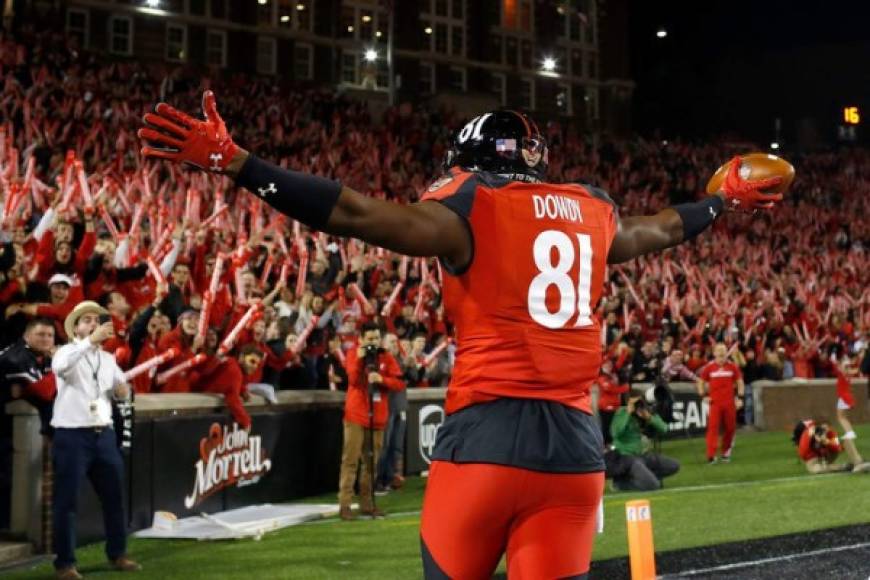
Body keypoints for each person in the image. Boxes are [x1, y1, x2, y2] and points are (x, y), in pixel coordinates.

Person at [139, 94, 782, 578]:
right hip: (575, 454)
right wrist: (723, 202)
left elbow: (354, 213)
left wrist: (240, 163)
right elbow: (666, 228)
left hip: (485, 441)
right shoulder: (592, 209)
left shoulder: (471, 206)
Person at [51, 301, 141, 579]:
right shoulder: (66, 351)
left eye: (96, 320)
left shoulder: (108, 358)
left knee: (114, 497)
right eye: (86, 320)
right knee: (67, 501)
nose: (92, 324)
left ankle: (118, 552)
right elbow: (61, 368)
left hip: (104, 433)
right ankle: (65, 563)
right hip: (72, 435)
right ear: (76, 328)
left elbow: (120, 390)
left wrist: (124, 391)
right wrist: (89, 342)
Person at [337, 322, 403, 520]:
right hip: (356, 414)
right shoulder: (353, 354)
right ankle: (345, 505)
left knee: (371, 463)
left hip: (378, 416)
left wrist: (382, 380)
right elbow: (354, 381)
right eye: (370, 339)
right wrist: (359, 360)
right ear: (361, 339)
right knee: (350, 461)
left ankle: (367, 503)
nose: (373, 342)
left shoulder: (387, 356)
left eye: (376, 338)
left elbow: (399, 383)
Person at [0, 317, 57, 529]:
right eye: (40, 334)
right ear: (27, 335)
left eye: (50, 335)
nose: (46, 339)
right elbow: (43, 392)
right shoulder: (17, 357)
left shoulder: (33, 356)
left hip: (9, 427)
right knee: (8, 477)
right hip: (6, 428)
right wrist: (58, 368)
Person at [606, 395, 679, 491]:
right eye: (634, 403)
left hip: (644, 455)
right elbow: (615, 433)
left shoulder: (645, 411)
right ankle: (620, 484)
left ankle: (643, 477)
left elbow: (664, 428)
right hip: (627, 457)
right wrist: (628, 412)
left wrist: (649, 418)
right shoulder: (622, 412)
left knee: (674, 465)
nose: (637, 405)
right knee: (653, 486)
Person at [697, 343, 745, 464]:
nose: (721, 354)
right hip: (715, 403)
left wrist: (739, 398)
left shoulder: (732, 367)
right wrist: (703, 396)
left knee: (730, 428)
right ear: (714, 353)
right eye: (719, 351)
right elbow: (700, 382)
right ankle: (711, 455)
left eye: (723, 351)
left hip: (729, 402)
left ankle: (725, 452)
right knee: (713, 429)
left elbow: (740, 382)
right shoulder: (709, 367)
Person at [376, 332, 409, 494]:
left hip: (400, 407)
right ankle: (379, 480)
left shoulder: (402, 361)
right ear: (383, 344)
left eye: (396, 342)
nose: (395, 345)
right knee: (385, 445)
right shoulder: (381, 360)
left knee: (396, 446)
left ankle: (390, 478)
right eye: (391, 342)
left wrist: (411, 366)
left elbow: (413, 377)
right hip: (386, 407)